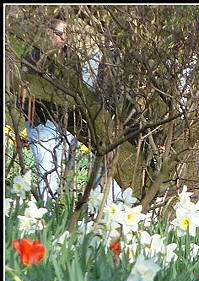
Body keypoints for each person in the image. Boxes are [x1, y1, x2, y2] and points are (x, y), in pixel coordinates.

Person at [19, 14, 123, 204]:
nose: (64, 39)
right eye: (60, 34)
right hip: (42, 124)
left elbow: (75, 92)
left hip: (64, 125)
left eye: (67, 35)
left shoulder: (72, 59)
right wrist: (33, 119)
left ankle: (63, 215)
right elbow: (24, 91)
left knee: (65, 175)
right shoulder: (34, 55)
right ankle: (45, 214)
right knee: (47, 174)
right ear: (49, 32)